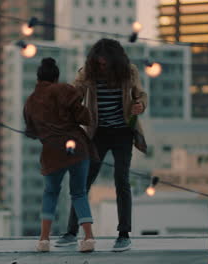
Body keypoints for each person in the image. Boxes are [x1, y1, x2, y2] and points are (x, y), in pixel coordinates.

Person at [56, 38, 148, 252]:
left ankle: (124, 234)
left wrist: (140, 105)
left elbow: (141, 94)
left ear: (115, 61)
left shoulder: (129, 72)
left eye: (106, 63)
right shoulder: (88, 72)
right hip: (98, 133)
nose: (102, 66)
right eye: (98, 62)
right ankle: (71, 232)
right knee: (85, 180)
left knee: (121, 180)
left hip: (124, 131)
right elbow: (74, 92)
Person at [24, 57, 96, 252]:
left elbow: (30, 132)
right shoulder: (65, 90)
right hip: (77, 149)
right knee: (79, 193)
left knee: (50, 193)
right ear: (56, 77)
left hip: (52, 153)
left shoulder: (31, 101)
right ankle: (88, 238)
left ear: (38, 78)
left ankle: (44, 240)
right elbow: (84, 117)